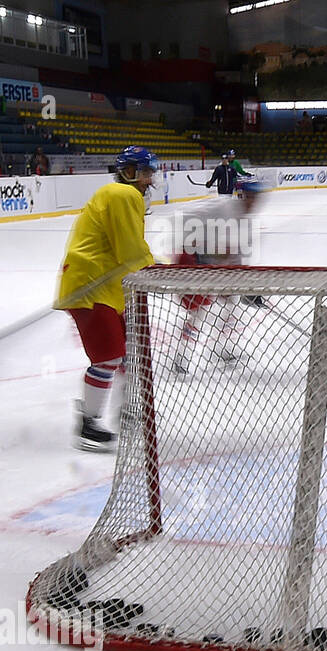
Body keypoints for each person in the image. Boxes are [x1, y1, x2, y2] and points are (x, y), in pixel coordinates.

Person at [53, 146, 158, 451]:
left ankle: (125, 411)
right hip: (90, 287)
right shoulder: (122, 195)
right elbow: (131, 251)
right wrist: (154, 268)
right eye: (145, 173)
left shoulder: (119, 195)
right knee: (108, 357)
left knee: (123, 354)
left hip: (105, 287)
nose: (149, 180)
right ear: (129, 172)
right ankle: (89, 424)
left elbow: (130, 248)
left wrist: (150, 262)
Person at [171, 178, 270, 375]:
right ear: (240, 195)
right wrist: (198, 248)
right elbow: (183, 217)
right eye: (250, 197)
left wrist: (248, 288)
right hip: (195, 262)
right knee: (197, 313)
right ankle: (181, 357)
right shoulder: (221, 206)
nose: (253, 202)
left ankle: (222, 349)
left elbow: (237, 258)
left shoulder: (246, 223)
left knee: (230, 303)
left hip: (216, 267)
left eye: (256, 197)